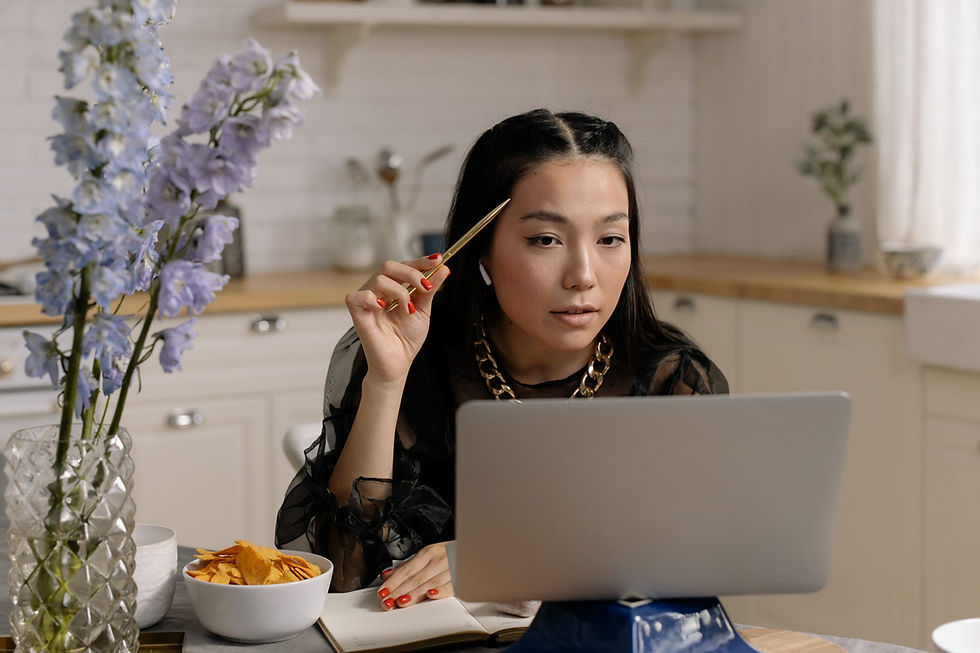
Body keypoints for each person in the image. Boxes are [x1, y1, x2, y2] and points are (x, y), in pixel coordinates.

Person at [275, 108, 728, 611]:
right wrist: (386, 381)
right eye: (545, 240)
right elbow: (345, 574)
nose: (583, 274)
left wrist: (503, 563)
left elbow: (688, 571)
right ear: (482, 249)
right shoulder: (419, 358)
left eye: (610, 239)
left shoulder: (675, 380)